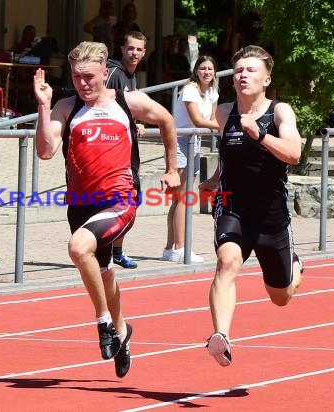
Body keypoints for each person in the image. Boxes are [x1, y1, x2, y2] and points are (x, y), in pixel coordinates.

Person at [33, 41, 180, 377]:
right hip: (81, 206)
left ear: (104, 73)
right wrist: (44, 107)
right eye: (76, 77)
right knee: (104, 272)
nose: (83, 83)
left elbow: (167, 120)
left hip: (121, 201)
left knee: (77, 247)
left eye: (89, 77)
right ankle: (123, 329)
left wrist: (172, 169)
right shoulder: (67, 108)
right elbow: (45, 151)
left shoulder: (127, 103)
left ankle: (104, 324)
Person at [198, 45, 303, 367]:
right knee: (226, 261)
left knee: (281, 297)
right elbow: (231, 154)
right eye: (239, 70)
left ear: (266, 79)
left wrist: (260, 135)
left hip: (271, 214)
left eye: (251, 70)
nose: (243, 75)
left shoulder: (280, 111)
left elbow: (293, 153)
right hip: (232, 206)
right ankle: (221, 337)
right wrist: (215, 178)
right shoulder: (223, 111)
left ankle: (296, 266)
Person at [163, 55, 219, 264]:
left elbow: (212, 119)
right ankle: (180, 248)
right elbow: (197, 119)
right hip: (180, 143)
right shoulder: (189, 90)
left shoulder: (212, 91)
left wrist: (217, 124)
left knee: (181, 197)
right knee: (182, 197)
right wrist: (222, 126)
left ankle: (170, 248)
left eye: (210, 69)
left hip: (194, 142)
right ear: (196, 71)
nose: (206, 72)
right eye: (203, 68)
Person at [104, 30, 147, 269]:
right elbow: (103, 106)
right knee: (118, 201)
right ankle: (107, 251)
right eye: (131, 48)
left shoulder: (131, 76)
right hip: (112, 151)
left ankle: (116, 251)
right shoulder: (114, 74)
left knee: (131, 201)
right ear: (122, 49)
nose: (134, 53)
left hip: (129, 150)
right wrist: (131, 123)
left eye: (139, 49)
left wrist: (134, 122)